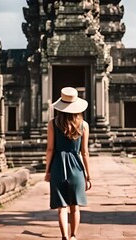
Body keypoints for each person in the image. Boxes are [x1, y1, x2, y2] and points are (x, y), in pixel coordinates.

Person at [44, 87, 92, 240]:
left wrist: (47, 171)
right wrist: (88, 176)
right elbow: (84, 152)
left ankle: (64, 235)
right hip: (77, 169)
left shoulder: (53, 124)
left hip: (58, 166)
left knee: (61, 208)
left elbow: (50, 149)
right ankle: (73, 236)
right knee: (75, 206)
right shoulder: (84, 125)